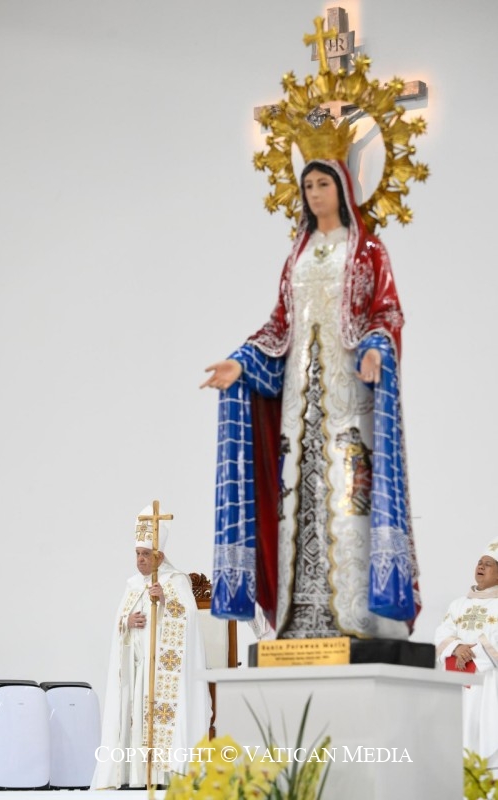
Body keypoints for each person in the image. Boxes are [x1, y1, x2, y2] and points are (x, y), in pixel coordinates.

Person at [201, 158, 420, 640]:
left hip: (349, 400)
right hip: (299, 405)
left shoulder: (367, 252)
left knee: (350, 497)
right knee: (296, 503)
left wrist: (376, 348)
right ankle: (299, 618)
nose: (315, 192)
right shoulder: (296, 256)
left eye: (323, 183)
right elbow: (280, 325)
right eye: (308, 185)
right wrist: (242, 362)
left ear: (342, 189)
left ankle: (359, 617)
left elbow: (386, 313)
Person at [91, 507, 211, 789]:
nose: (140, 560)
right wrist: (126, 622)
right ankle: (136, 777)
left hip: (168, 674)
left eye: (146, 554)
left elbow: (189, 619)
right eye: (137, 554)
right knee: (137, 718)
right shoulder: (133, 585)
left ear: (159, 556)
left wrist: (167, 600)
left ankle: (166, 777)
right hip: (140, 670)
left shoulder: (176, 580)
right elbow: (119, 625)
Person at [435, 539, 498, 767]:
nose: (481, 566)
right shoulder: (458, 604)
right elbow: (443, 632)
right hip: (459, 680)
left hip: (490, 681)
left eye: (488, 564)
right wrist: (457, 648)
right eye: (480, 562)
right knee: (457, 732)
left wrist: (473, 653)